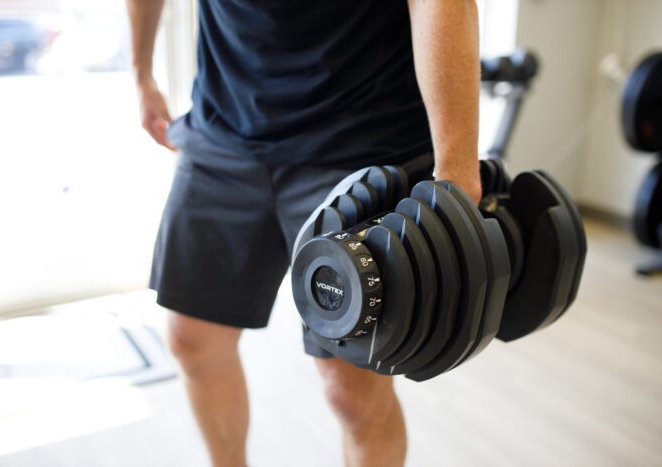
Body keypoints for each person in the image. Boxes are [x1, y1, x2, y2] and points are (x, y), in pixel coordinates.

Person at [126, 1, 481, 466]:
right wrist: (140, 68)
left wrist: (456, 167)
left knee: (352, 391)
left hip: (359, 141)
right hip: (224, 128)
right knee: (192, 340)